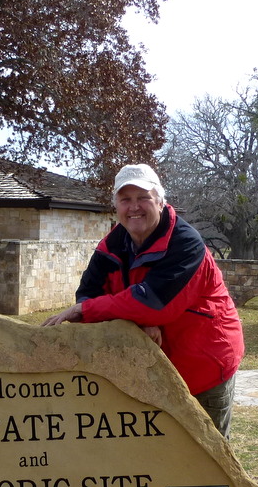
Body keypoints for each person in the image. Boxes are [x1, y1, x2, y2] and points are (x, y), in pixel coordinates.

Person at [42, 163, 244, 439]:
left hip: (202, 368)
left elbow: (154, 303)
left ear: (160, 201)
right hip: (145, 373)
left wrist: (95, 310)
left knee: (206, 462)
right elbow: (89, 292)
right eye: (125, 199)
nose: (134, 207)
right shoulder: (110, 246)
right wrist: (135, 323)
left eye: (143, 198)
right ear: (116, 207)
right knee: (153, 460)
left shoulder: (186, 244)